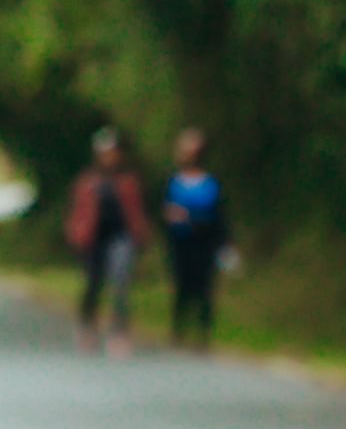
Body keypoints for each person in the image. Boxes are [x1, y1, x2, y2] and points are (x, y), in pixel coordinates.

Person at [63, 127, 151, 356]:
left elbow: (136, 211)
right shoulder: (87, 181)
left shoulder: (128, 181)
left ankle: (119, 332)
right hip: (93, 239)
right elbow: (77, 212)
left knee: (120, 283)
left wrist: (140, 234)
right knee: (92, 284)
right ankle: (87, 326)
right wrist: (76, 235)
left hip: (121, 237)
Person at [162, 127, 229, 348]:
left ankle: (203, 334)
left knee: (204, 287)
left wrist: (224, 245)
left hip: (205, 242)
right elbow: (163, 213)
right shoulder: (173, 181)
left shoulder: (211, 183)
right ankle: (178, 331)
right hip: (180, 243)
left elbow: (220, 216)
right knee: (181, 285)